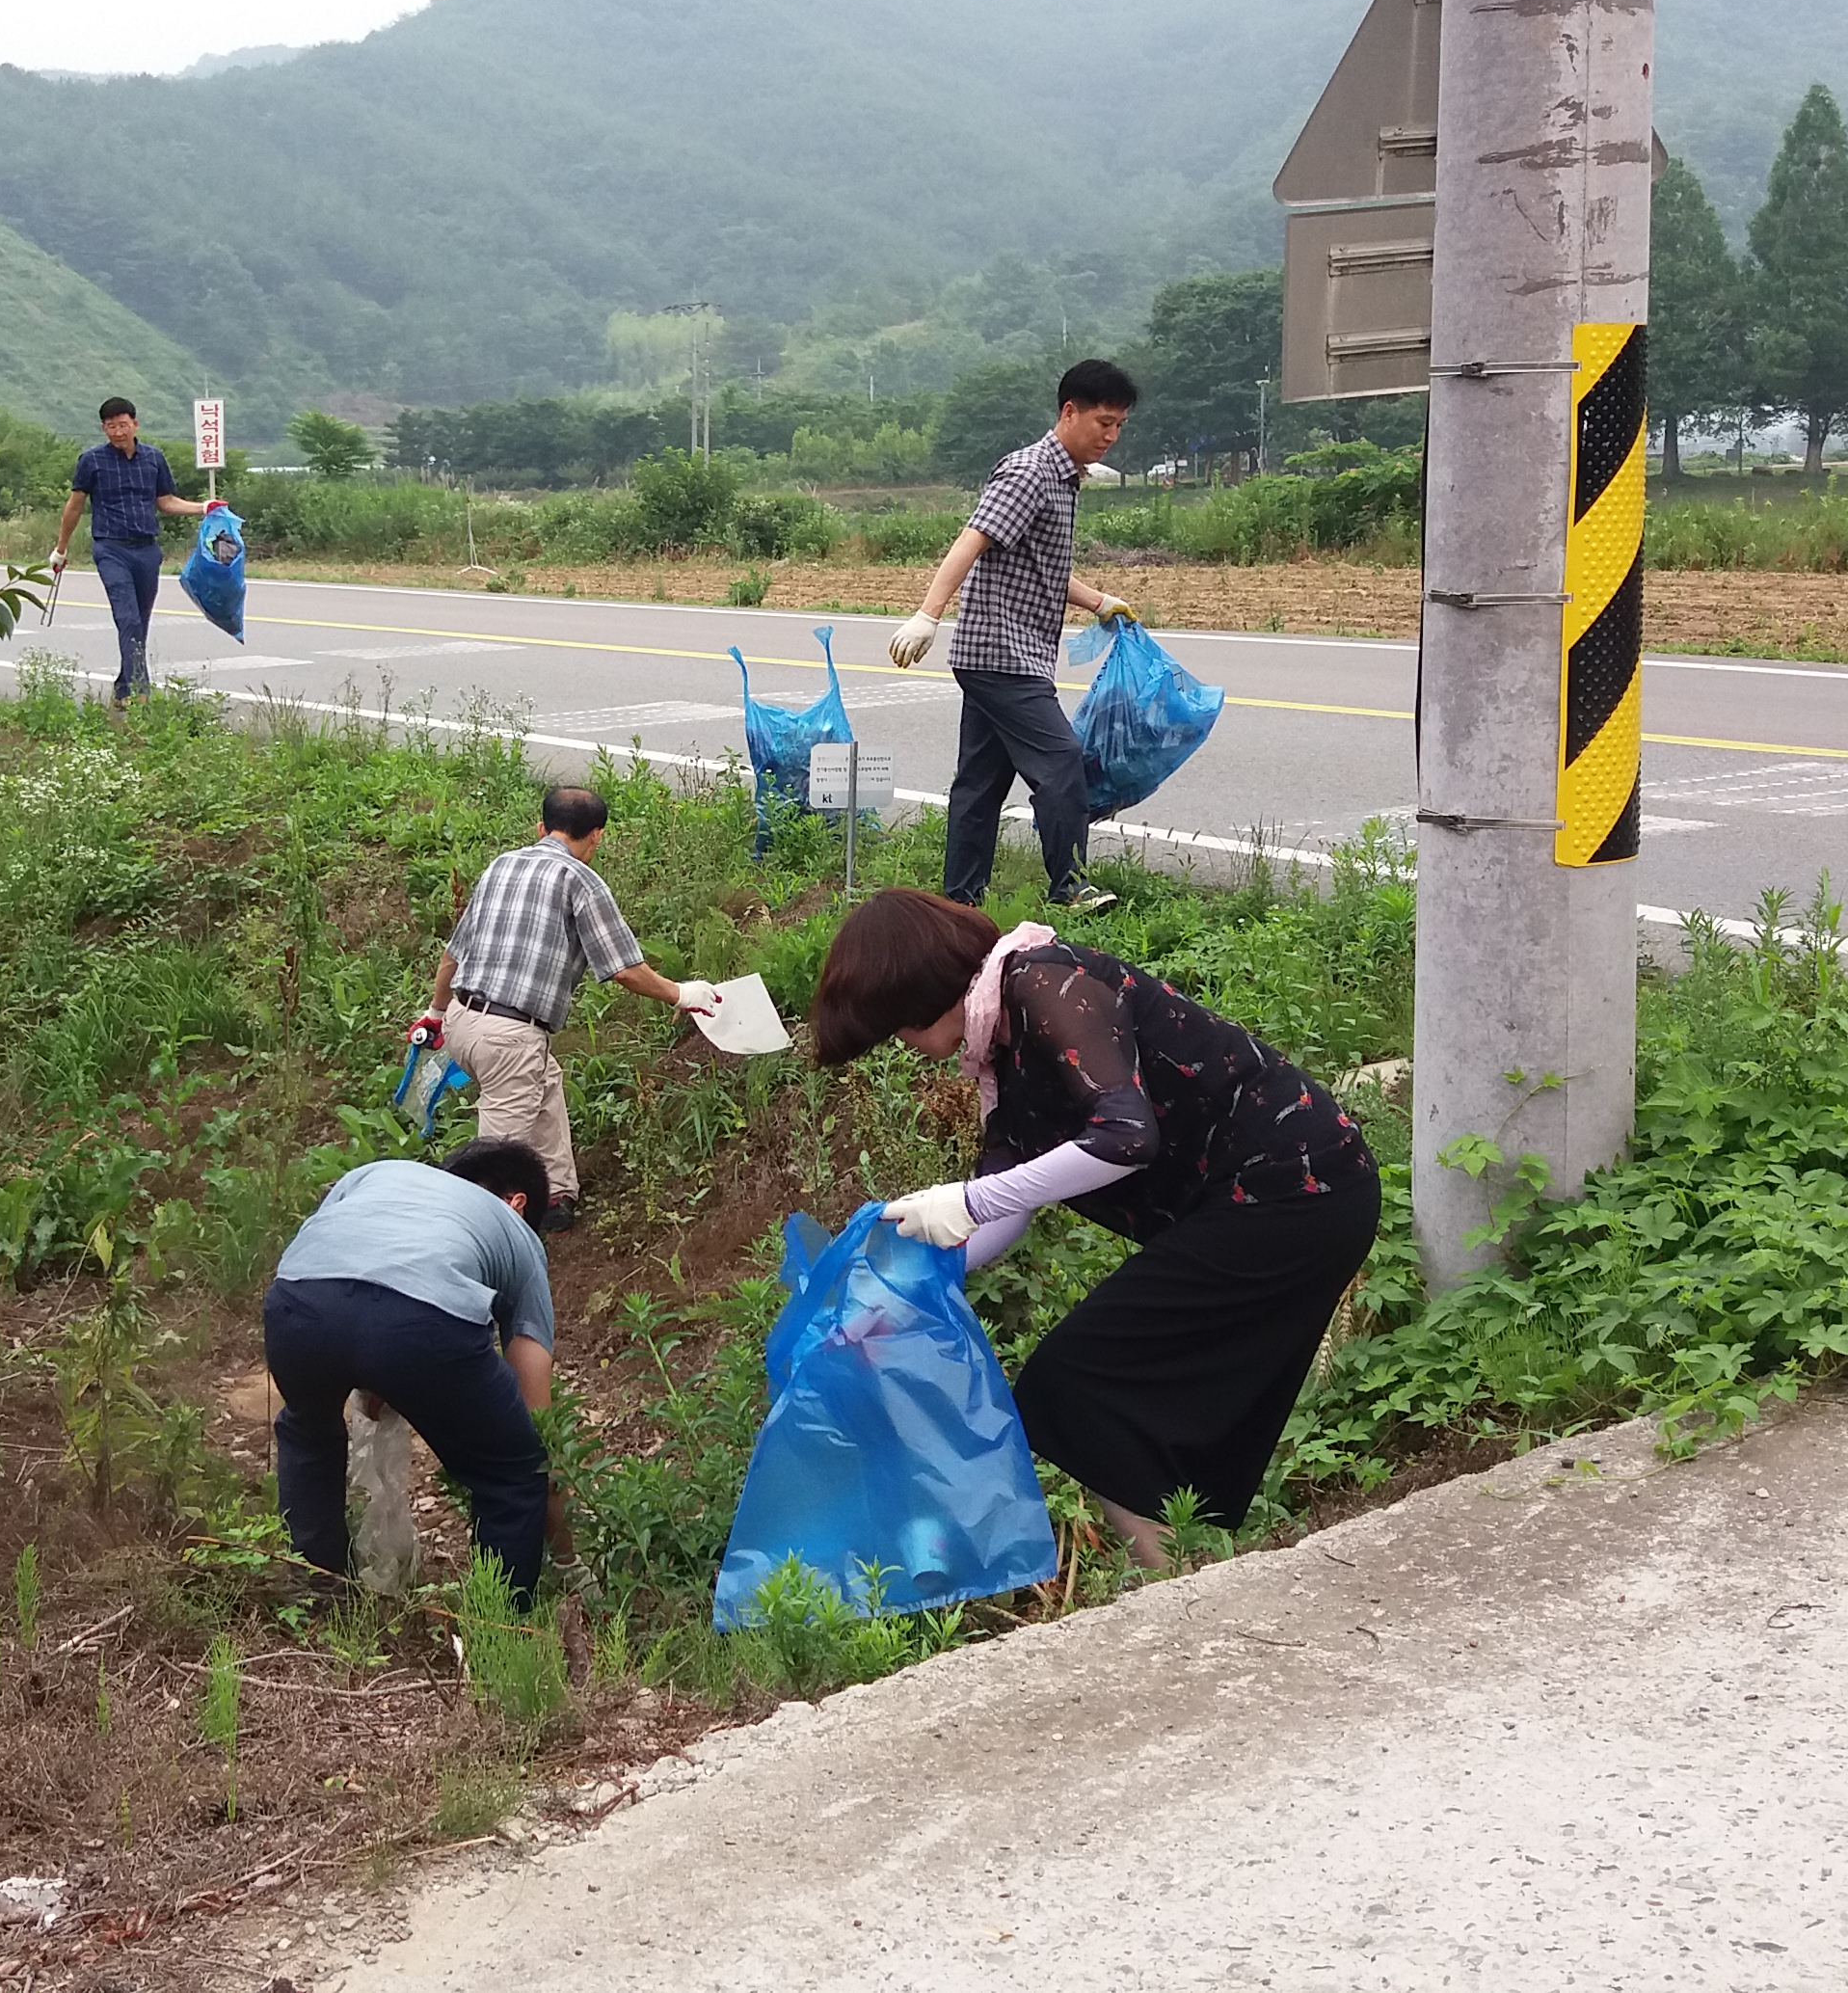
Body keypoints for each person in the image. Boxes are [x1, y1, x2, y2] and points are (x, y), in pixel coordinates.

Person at [811, 887, 1376, 1569]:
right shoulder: (1003, 1053)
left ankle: (1178, 1589)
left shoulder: (1044, 984)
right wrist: (904, 1281)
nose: (898, 1045)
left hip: (1295, 1186)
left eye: (890, 1026)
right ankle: (1185, 1574)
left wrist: (969, 1200)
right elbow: (1007, 1210)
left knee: (1075, 1384)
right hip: (1256, 1205)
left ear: (915, 991)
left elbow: (1125, 1135)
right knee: (1107, 1397)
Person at [887, 359, 1143, 914]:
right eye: (1103, 421)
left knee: (979, 784)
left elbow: (1041, 564)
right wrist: (928, 614)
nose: (1111, 436)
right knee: (1061, 762)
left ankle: (960, 902)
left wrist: (1098, 601)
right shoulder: (1030, 471)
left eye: (1120, 425)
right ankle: (1069, 887)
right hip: (1001, 653)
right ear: (1069, 412)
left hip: (1007, 650)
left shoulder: (1065, 476)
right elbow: (972, 540)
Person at [413, 784, 719, 1230]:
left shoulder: (502, 865)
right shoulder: (581, 880)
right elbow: (622, 968)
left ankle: (553, 1197)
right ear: (596, 836)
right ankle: (473, 1236)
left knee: (545, 1087)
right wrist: (683, 994)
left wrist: (436, 1015)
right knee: (498, 1159)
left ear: (541, 827)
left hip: (462, 1019)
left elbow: (451, 956)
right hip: (510, 1035)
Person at [263, 1139, 561, 1596]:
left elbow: (350, 1274)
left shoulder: (377, 1174)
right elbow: (534, 1393)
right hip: (422, 1322)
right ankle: (500, 1622)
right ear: (519, 1204)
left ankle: (314, 1592)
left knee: (309, 1434)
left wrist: (379, 1371)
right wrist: (564, 1541)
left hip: (298, 1301)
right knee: (513, 1474)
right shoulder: (516, 1232)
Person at [46, 396, 212, 706]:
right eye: (111, 427)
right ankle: (141, 693)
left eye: (123, 425)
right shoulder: (91, 461)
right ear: (103, 429)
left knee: (140, 621)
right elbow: (75, 506)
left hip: (147, 551)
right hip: (110, 549)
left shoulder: (153, 458)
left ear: (135, 424)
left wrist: (203, 507)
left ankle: (124, 688)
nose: (118, 432)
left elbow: (166, 501)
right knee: (127, 618)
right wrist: (61, 549)